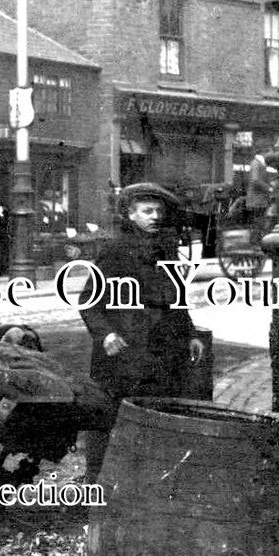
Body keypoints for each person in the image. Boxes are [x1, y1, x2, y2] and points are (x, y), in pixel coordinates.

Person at [77, 183, 206, 483]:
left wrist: (190, 334)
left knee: (155, 415)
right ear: (131, 215)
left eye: (159, 211)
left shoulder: (166, 250)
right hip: (122, 352)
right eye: (147, 211)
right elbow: (89, 302)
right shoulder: (115, 251)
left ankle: (145, 481)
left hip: (160, 352)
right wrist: (106, 335)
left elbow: (175, 300)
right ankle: (96, 481)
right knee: (107, 416)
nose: (155, 216)